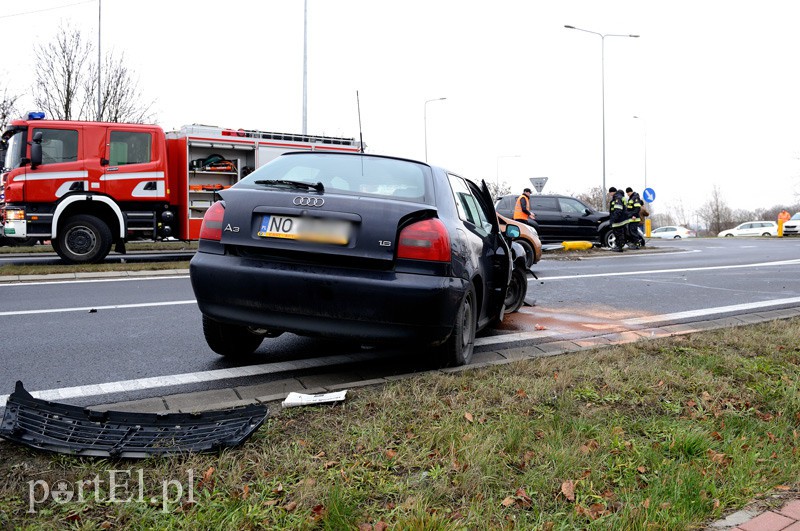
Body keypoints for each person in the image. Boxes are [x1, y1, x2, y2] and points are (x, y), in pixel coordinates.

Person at [608, 187, 628, 252]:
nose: (610, 194)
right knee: (618, 233)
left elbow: (618, 210)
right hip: (620, 219)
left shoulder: (617, 198)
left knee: (618, 233)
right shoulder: (618, 197)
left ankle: (619, 247)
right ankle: (618, 246)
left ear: (612, 192)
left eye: (610, 192)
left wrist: (613, 219)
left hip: (618, 220)